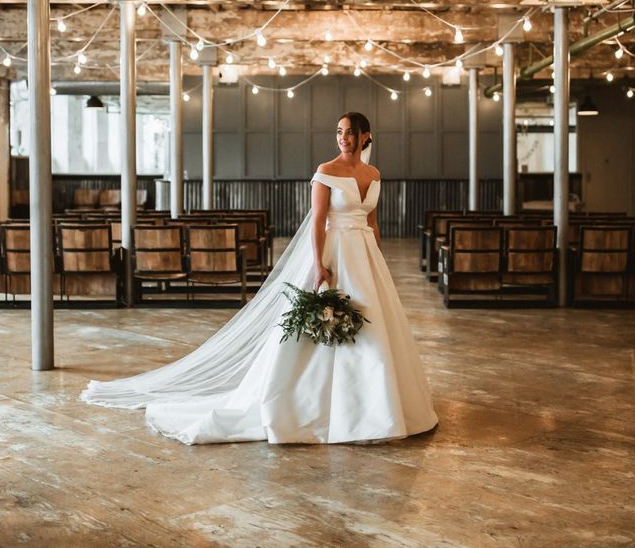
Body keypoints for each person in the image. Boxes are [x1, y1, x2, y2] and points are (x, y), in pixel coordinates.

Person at [82, 112, 438, 444]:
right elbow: (316, 222)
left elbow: (373, 223)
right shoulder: (325, 171)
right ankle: (308, 404)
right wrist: (319, 265)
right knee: (324, 329)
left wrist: (379, 259)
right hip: (336, 254)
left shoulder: (374, 175)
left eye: (350, 133)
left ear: (365, 137)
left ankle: (373, 407)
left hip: (366, 258)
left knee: (376, 330)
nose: (344, 139)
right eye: (339, 133)